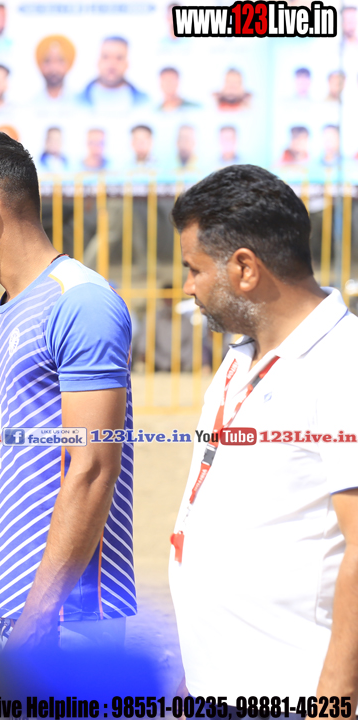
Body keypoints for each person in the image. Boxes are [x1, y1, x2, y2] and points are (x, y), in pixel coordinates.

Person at [0, 131, 135, 653]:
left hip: (63, 623)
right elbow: (3, 472)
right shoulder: (7, 310)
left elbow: (92, 468)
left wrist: (38, 620)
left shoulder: (80, 300)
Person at [168, 164, 358, 699]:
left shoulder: (342, 364)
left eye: (194, 269)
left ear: (245, 268)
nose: (188, 287)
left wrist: (336, 698)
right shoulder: (242, 355)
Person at [78, 37, 148, 111]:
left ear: (127, 63)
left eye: (119, 58)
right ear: (98, 62)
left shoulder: (145, 103)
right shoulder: (76, 101)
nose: (112, 64)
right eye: (105, 57)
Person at [35, 35, 76, 105]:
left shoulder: (82, 103)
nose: (54, 68)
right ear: (41, 65)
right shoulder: (29, 105)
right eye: (47, 61)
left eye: (60, 61)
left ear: (68, 65)